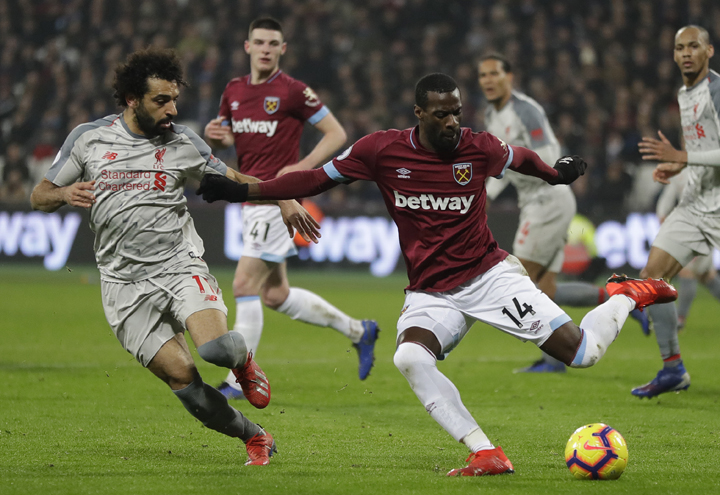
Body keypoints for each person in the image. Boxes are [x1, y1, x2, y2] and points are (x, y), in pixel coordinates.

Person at [196, 73, 677, 476]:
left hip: (490, 276)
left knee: (584, 354)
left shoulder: (477, 148)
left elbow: (520, 157)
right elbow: (314, 179)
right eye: (442, 114)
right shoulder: (381, 152)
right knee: (409, 358)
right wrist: (244, 193)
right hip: (432, 292)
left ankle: (624, 295)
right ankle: (485, 451)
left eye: (457, 112)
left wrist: (556, 173)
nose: (452, 122)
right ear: (418, 114)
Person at [30, 48, 320, 467]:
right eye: (161, 100)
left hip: (178, 266)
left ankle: (243, 362)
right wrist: (63, 193)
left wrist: (284, 197)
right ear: (132, 98)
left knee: (218, 349)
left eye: (174, 99)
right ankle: (255, 436)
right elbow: (39, 195)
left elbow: (235, 178)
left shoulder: (182, 142)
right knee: (182, 380)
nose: (173, 109)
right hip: (121, 284)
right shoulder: (88, 138)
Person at [203, 17, 379, 400]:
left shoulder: (294, 91)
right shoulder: (233, 90)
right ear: (247, 47)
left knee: (245, 284)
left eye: (273, 43)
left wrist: (302, 168)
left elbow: (337, 133)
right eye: (259, 42)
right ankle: (359, 331)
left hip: (276, 199)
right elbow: (235, 137)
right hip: (248, 196)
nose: (266, 48)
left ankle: (238, 381)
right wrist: (217, 136)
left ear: (283, 49)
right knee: (275, 294)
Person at [478, 54, 651, 373]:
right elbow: (500, 161)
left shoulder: (526, 110)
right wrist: (488, 191)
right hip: (537, 201)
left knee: (518, 280)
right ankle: (622, 300)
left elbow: (549, 155)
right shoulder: (492, 114)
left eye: (494, 73)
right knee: (548, 289)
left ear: (509, 76)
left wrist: (508, 168)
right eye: (483, 75)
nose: (487, 80)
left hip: (548, 199)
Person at [636, 25, 720, 398]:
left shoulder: (717, 92)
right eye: (679, 47)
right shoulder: (684, 93)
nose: (686, 53)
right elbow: (705, 146)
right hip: (697, 201)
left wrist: (684, 157)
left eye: (694, 46)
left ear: (709, 51)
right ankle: (673, 368)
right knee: (652, 277)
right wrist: (680, 166)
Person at [656, 168, 720, 332]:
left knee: (688, 271)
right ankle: (680, 318)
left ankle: (679, 319)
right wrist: (662, 215)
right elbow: (667, 197)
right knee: (707, 276)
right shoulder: (680, 173)